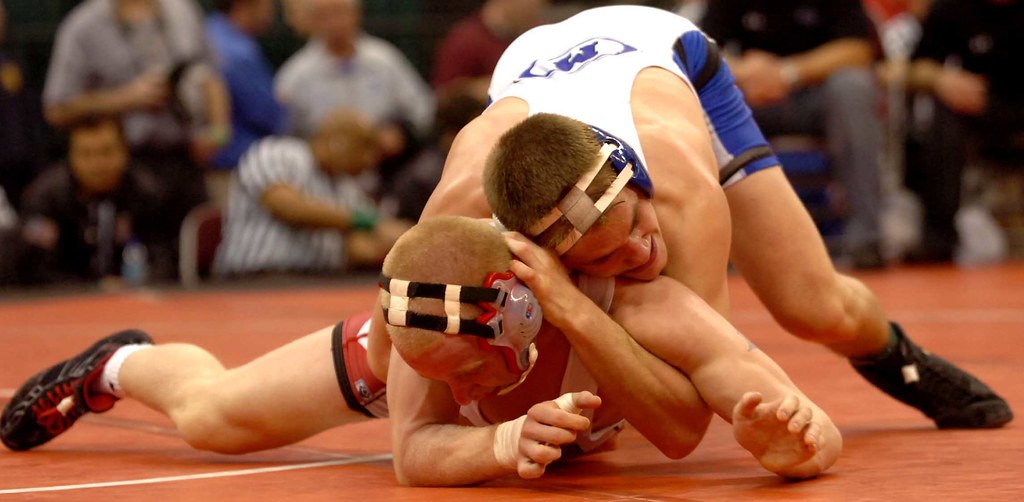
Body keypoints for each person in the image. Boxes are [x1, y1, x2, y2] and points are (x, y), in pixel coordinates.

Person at [421, 5, 1012, 429]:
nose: (639, 255)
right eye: (602, 254)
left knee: (811, 305)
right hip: (536, 71)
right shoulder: (459, 204)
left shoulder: (682, 191)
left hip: (668, 57)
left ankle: (898, 356)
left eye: (635, 227)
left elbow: (701, 383)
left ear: (642, 191)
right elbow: (391, 343)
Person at [1, 216, 840, 484]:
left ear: (519, 316)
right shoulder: (413, 351)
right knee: (213, 419)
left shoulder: (649, 314)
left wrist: (796, 447)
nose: (462, 387)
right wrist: (498, 438)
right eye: (437, 372)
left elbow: (810, 429)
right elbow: (411, 454)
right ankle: (118, 365)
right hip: (402, 341)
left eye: (471, 372)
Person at [700, 0, 886, 268]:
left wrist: (789, 72)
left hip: (818, 95)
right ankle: (719, 242)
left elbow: (857, 50)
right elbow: (702, 52)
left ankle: (867, 240)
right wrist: (745, 72)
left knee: (853, 87)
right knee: (707, 96)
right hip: (752, 99)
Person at [43, 0, 232, 244]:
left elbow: (211, 76)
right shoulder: (83, 26)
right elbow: (56, 109)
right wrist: (127, 98)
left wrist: (217, 132)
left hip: (186, 158)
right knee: (143, 260)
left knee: (199, 252)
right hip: (126, 168)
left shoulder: (182, 10)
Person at [213, 108, 408, 277]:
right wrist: (371, 222)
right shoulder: (278, 153)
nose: (369, 161)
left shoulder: (347, 186)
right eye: (365, 148)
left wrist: (403, 242)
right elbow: (289, 209)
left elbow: (358, 249)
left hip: (316, 282)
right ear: (339, 142)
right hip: (254, 280)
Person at [902, 0, 1024, 263]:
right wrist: (941, 79)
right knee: (941, 114)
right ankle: (938, 239)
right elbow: (914, 67)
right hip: (976, 106)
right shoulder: (953, 7)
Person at [14, 114, 177, 284]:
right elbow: (37, 272)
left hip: (134, 298)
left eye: (106, 152)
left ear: (125, 152)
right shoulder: (45, 199)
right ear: (71, 156)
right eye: (86, 154)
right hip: (66, 299)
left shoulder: (148, 193)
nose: (97, 163)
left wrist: (132, 287)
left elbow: (164, 259)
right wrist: (92, 290)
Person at [204, 0, 286, 206]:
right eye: (267, 7)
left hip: (208, 163)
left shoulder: (206, 30)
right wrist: (284, 104)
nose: (271, 14)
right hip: (235, 168)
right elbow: (268, 115)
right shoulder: (238, 52)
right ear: (244, 5)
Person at [431, 0, 550, 102]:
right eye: (530, 6)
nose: (536, 11)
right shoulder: (465, 40)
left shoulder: (536, 38)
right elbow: (443, 97)